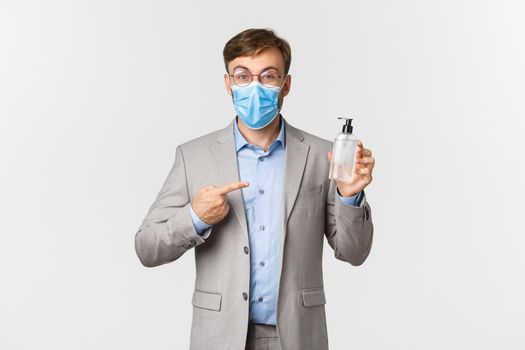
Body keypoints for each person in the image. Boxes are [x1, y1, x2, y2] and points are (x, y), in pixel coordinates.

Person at [134, 28, 375, 350]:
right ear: (228, 84)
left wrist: (350, 195)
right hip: (219, 334)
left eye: (268, 76)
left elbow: (354, 253)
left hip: (298, 334)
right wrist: (195, 217)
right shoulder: (193, 156)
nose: (255, 86)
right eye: (243, 76)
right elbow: (147, 248)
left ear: (285, 85)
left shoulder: (322, 155)